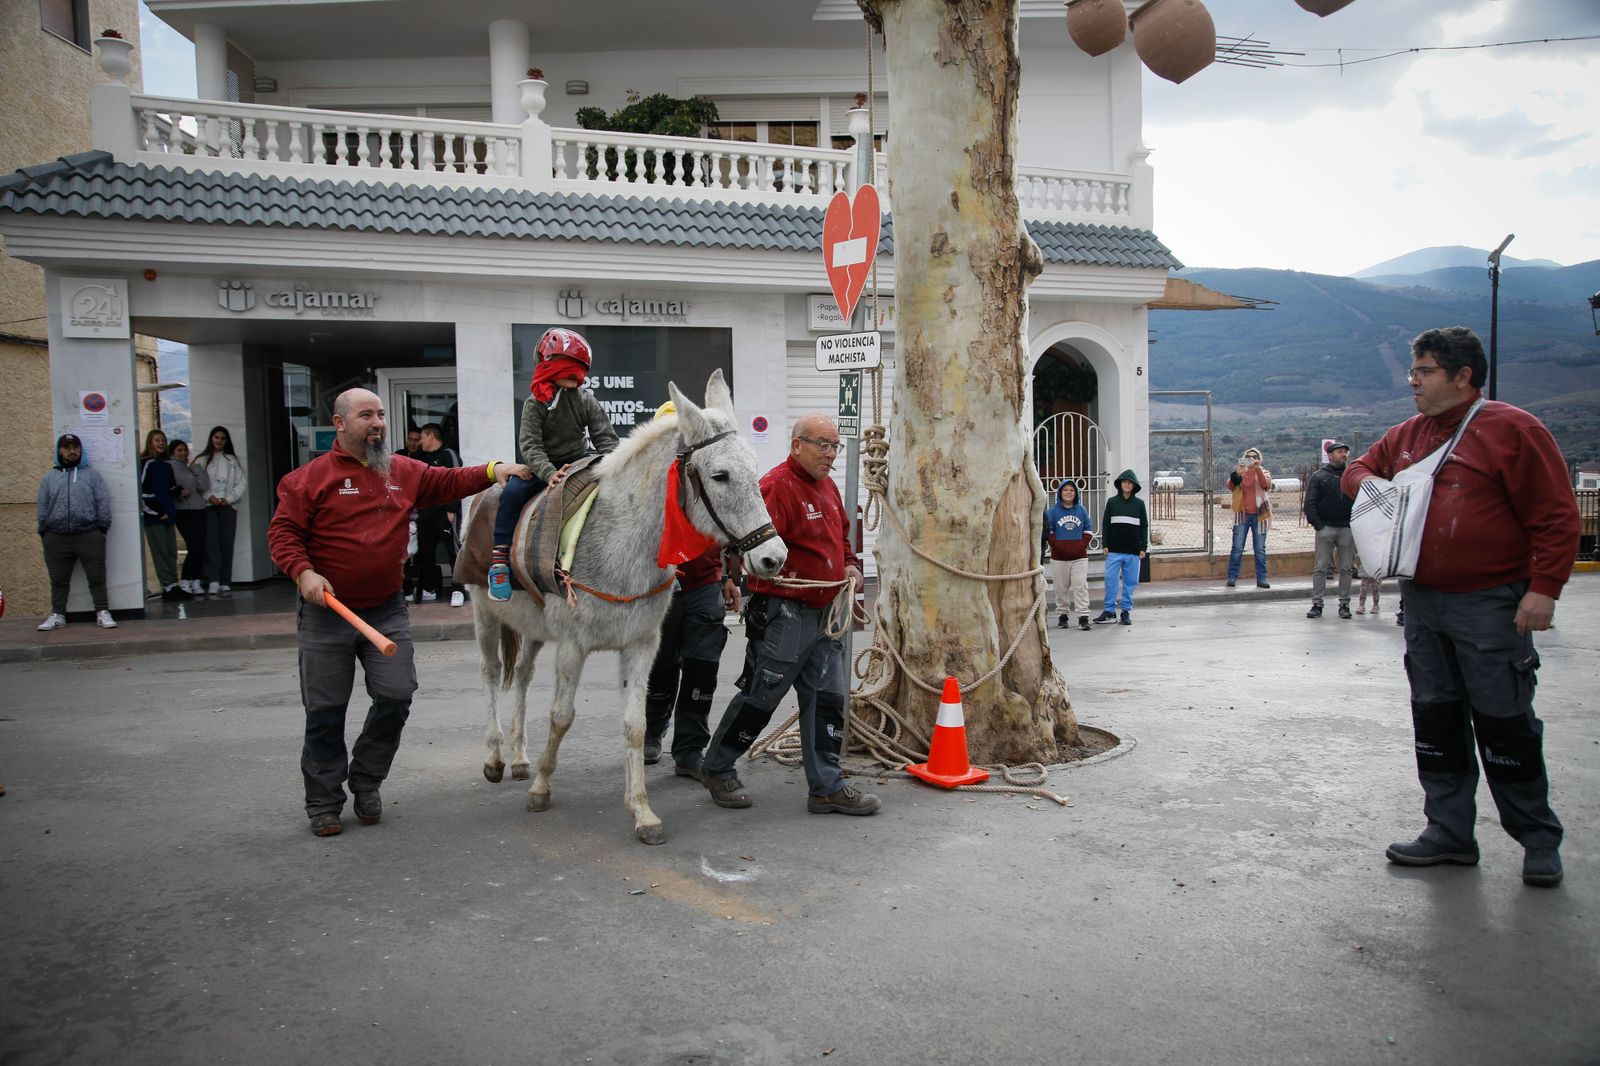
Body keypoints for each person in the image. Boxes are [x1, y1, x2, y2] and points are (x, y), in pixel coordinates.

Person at [1343, 326, 1579, 888]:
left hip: (1491, 603)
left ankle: (1537, 838)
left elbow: (1556, 516)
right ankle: (1449, 833)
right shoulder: (1408, 434)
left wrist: (1543, 589)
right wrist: (1381, 491)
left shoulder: (1514, 430)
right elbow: (1356, 471)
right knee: (1437, 720)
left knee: (1506, 723)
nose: (1413, 382)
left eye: (1424, 372)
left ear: (1463, 376)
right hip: (1423, 602)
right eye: (1413, 371)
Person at [268, 387, 532, 837]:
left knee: (396, 695)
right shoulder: (307, 479)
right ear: (339, 423)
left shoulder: (401, 470)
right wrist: (303, 572)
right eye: (365, 415)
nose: (377, 423)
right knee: (326, 710)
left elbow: (448, 481)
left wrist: (494, 470)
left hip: (386, 608)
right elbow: (283, 535)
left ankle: (366, 779)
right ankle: (324, 801)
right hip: (328, 611)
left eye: (380, 414)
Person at [700, 414, 879, 816]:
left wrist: (850, 565)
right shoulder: (775, 487)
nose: (830, 454)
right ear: (797, 445)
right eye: (822, 445)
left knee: (827, 699)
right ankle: (717, 767)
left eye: (835, 446)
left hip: (826, 614)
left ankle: (827, 787)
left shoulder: (828, 486)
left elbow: (842, 539)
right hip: (785, 614)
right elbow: (748, 545)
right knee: (761, 696)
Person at [486, 327, 619, 601]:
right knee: (511, 493)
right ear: (550, 367)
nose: (576, 377)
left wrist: (614, 466)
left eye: (578, 371)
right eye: (568, 369)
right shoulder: (535, 403)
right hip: (542, 468)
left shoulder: (586, 400)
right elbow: (530, 445)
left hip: (579, 464)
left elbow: (605, 438)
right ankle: (499, 561)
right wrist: (548, 473)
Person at [35, 432, 116, 630]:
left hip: (89, 535)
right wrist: (44, 531)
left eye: (75, 447)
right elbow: (42, 505)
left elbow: (102, 502)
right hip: (56, 537)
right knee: (58, 579)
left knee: (97, 577)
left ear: (80, 450)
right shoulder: (49, 477)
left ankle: (102, 612)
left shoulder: (92, 476)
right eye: (67, 447)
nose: (72, 451)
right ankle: (58, 614)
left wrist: (101, 529)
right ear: (60, 451)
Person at [413, 422, 466, 607]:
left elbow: (458, 479)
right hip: (425, 514)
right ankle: (429, 589)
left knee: (453, 551)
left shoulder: (448, 454)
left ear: (431, 436)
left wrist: (452, 508)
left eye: (422, 437)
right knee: (425, 553)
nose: (420, 442)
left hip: (444, 513)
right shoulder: (423, 458)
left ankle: (458, 589)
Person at [1303, 440, 1356, 619]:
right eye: (1339, 451)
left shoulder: (1351, 476)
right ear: (1330, 455)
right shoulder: (1319, 476)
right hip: (1325, 527)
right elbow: (1309, 503)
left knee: (1347, 568)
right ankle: (1317, 604)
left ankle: (1344, 604)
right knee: (1320, 568)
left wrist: (1353, 523)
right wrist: (1318, 525)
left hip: (1346, 528)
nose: (1343, 455)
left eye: (1345, 452)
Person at [193, 425, 246, 596]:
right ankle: (212, 580)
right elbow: (197, 484)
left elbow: (241, 483)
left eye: (223, 438)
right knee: (211, 543)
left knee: (226, 543)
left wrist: (228, 499)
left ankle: (225, 581)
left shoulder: (232, 460)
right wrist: (209, 496)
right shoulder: (201, 460)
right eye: (216, 437)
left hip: (228, 506)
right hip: (208, 507)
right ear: (211, 438)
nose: (219, 441)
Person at [139, 428, 189, 602]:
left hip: (168, 515)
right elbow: (142, 492)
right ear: (150, 442)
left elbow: (168, 488)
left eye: (163, 440)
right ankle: (167, 586)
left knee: (171, 552)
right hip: (154, 517)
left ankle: (174, 584)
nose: (161, 443)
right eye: (157, 440)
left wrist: (179, 491)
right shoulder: (145, 463)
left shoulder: (166, 465)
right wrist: (158, 511)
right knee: (160, 552)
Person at [1092, 469, 1147, 627]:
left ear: (1134, 485)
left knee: (1130, 582)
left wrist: (1143, 546)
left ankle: (1125, 611)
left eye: (1130, 482)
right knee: (1111, 580)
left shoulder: (1139, 504)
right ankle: (1109, 611)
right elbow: (1106, 524)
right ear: (1120, 484)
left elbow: (1144, 526)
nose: (1127, 484)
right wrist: (1105, 544)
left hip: (1133, 550)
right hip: (1114, 549)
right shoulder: (1112, 502)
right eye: (1124, 482)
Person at [1042, 480, 1094, 631]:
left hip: (1079, 557)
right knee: (1060, 588)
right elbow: (1049, 532)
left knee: (1080, 586)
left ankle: (1083, 617)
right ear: (1060, 493)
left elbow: (1088, 531)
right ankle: (1063, 615)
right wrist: (1058, 546)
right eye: (1065, 490)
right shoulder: (1052, 512)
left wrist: (1080, 546)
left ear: (1076, 493)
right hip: (1059, 557)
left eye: (1072, 490)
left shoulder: (1081, 510)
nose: (1069, 492)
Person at [168, 439, 211, 596]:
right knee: (194, 546)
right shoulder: (170, 467)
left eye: (185, 450)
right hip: (183, 511)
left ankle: (196, 580)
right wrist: (178, 492)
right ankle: (185, 580)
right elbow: (168, 487)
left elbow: (203, 486)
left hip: (199, 509)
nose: (183, 453)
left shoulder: (191, 468)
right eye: (179, 450)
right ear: (172, 452)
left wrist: (196, 468)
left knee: (201, 546)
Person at [1226, 447, 1272, 589]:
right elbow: (1230, 486)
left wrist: (1257, 469)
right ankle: (1232, 577)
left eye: (1254, 457)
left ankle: (1262, 578)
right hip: (1242, 515)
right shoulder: (1241, 472)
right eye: (1249, 457)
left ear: (1259, 459)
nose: (1251, 459)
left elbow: (1266, 485)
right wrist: (1236, 474)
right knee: (1237, 547)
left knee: (1259, 549)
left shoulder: (1263, 472)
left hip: (1259, 516)